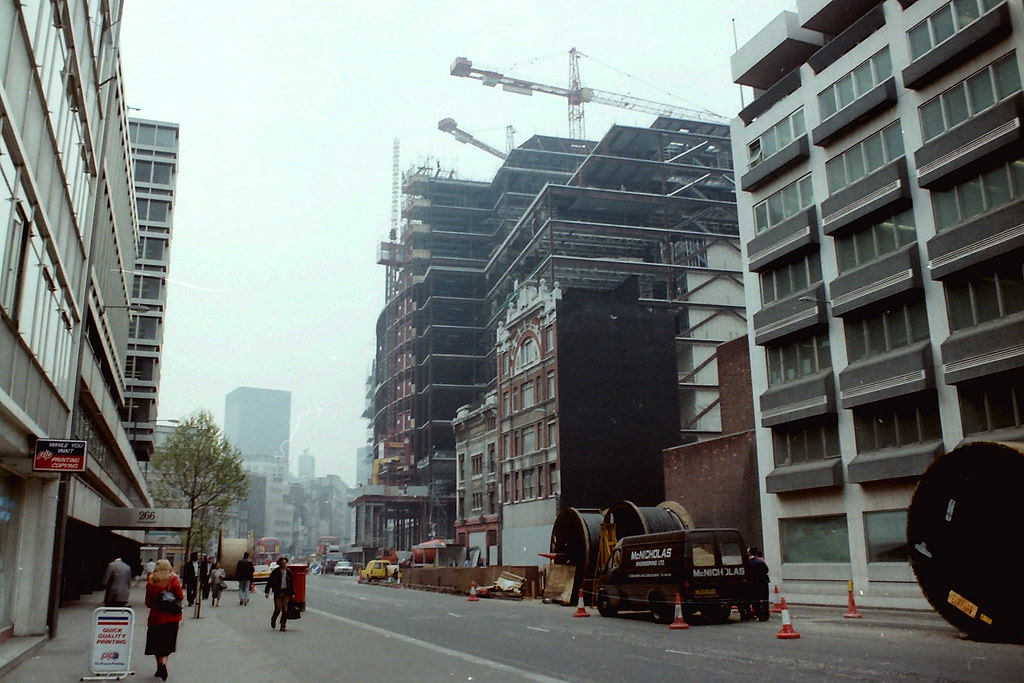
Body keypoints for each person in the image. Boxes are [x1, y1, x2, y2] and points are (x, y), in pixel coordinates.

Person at [144, 558, 183, 681]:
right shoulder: (173, 579)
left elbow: (148, 603)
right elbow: (180, 596)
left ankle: (159, 666)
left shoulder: (151, 580)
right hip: (171, 617)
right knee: (167, 643)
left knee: (156, 643)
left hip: (156, 617)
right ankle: (163, 664)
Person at [264, 556, 295, 632]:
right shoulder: (275, 572)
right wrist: (267, 591)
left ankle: (283, 625)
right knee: (278, 609)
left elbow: (291, 583)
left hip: (286, 592)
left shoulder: (289, 572)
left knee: (285, 609)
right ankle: (273, 619)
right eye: (283, 563)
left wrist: (293, 593)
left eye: (285, 563)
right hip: (278, 592)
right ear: (279, 563)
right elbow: (270, 582)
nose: (284, 564)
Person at [748, 547, 771, 622]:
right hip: (763, 582)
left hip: (753, 583)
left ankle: (759, 614)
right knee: (765, 599)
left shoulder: (748, 562)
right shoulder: (760, 562)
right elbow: (766, 570)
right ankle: (765, 614)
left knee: (755, 600)